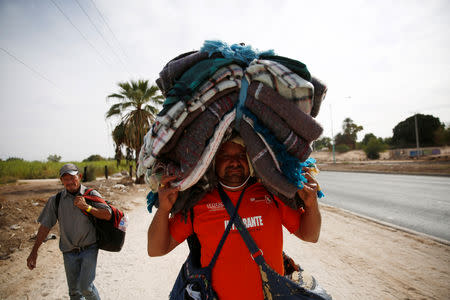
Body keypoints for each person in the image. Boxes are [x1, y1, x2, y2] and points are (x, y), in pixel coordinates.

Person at [147, 136, 322, 299]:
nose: (234, 162)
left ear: (250, 160)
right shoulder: (197, 203)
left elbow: (310, 235)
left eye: (240, 154)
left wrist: (311, 204)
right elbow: (156, 249)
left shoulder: (272, 195)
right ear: (213, 162)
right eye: (225, 155)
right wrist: (163, 209)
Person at [27, 163, 112, 300]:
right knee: (74, 292)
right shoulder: (56, 200)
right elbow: (45, 227)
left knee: (86, 288)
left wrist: (87, 207)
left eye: (72, 177)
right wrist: (34, 251)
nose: (69, 182)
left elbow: (107, 214)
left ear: (79, 177)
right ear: (61, 181)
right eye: (65, 179)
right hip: (68, 252)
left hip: (89, 249)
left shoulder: (91, 194)